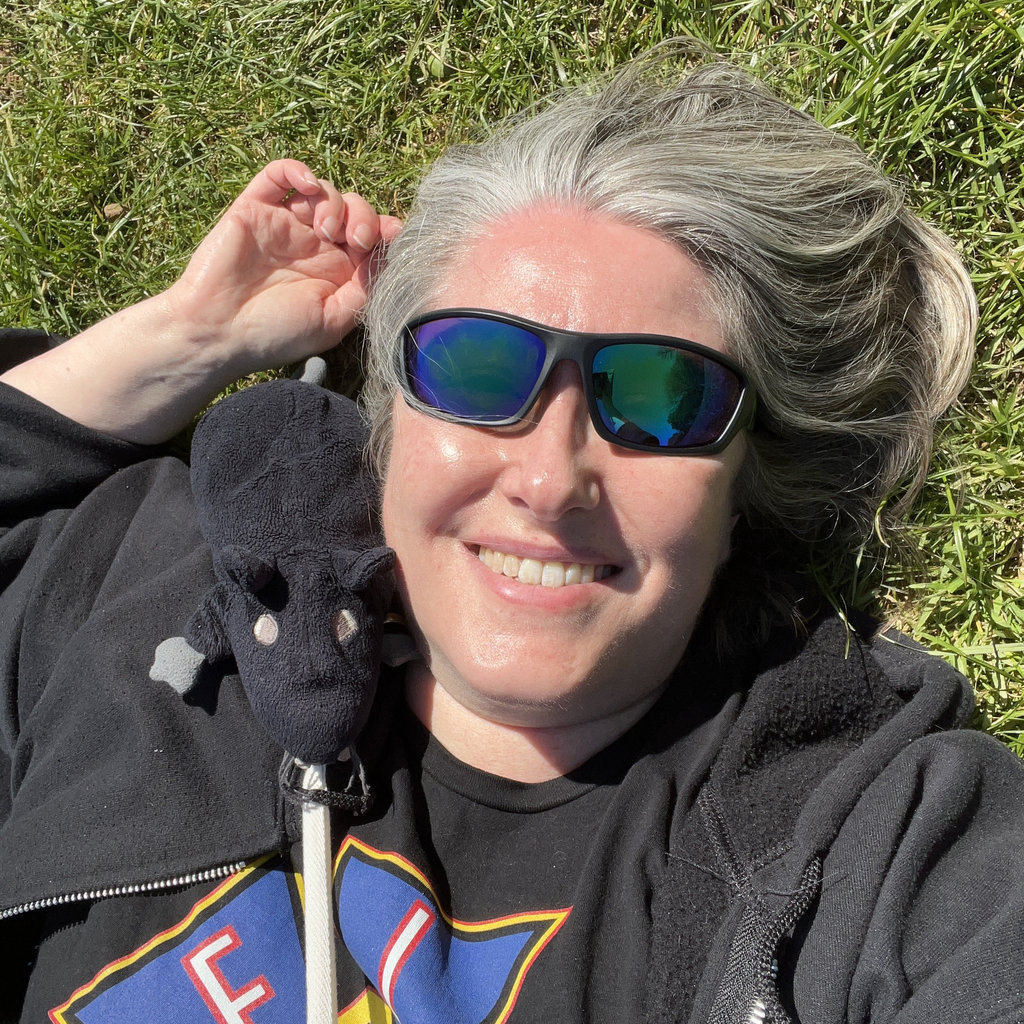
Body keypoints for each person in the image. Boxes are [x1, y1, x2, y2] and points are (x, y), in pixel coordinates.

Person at [2, 54, 1023, 1024]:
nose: (548, 479)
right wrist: (191, 337)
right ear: (388, 423)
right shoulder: (159, 597)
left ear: (740, 489)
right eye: (480, 368)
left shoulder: (871, 835)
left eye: (660, 400)